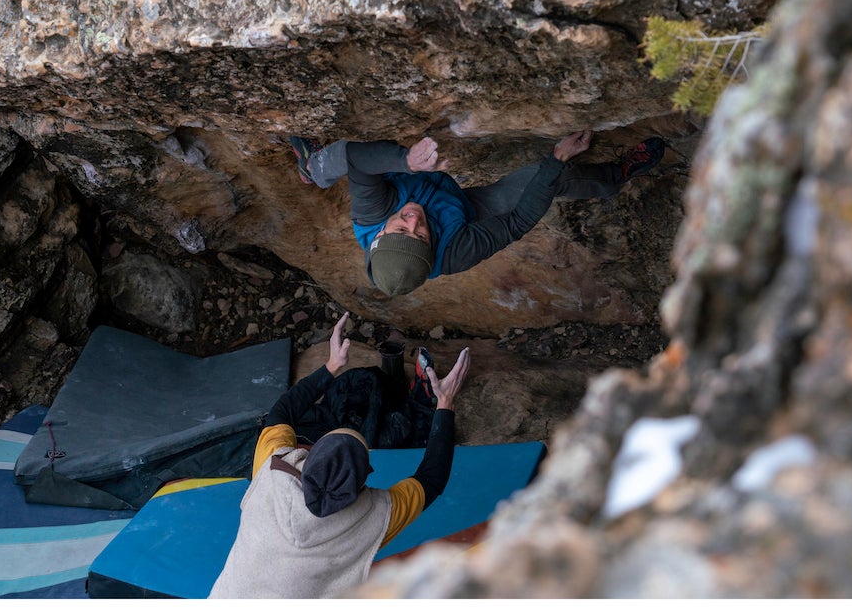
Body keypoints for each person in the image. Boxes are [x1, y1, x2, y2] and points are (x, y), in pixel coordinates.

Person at [209, 312, 470, 599]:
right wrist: (445, 403)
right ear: (361, 485)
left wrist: (331, 366)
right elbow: (431, 479)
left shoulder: (271, 470)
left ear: (307, 454)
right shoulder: (374, 517)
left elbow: (281, 411)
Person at [288, 131, 665, 296]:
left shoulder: (372, 212)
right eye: (420, 234)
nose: (415, 219)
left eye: (402, 225)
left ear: (380, 236)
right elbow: (517, 222)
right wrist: (555, 161)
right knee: (548, 178)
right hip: (466, 211)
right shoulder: (454, 253)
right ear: (431, 249)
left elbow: (358, 160)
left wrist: (406, 160)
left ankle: (313, 166)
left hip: (420, 184)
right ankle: (617, 175)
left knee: (341, 155)